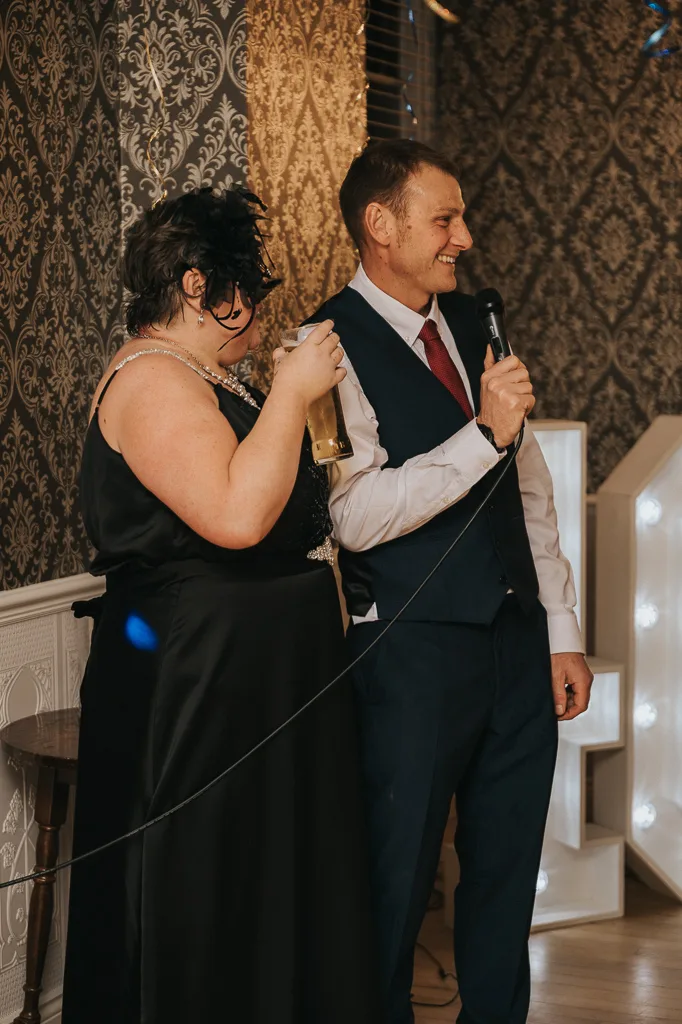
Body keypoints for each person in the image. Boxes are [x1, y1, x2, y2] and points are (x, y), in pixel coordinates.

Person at [61, 186, 380, 1024]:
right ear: (201, 286)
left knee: (270, 885)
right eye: (249, 291)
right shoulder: (154, 379)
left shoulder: (210, 376)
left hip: (255, 685)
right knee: (208, 887)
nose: (258, 311)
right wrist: (291, 388)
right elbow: (236, 518)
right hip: (195, 685)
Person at [305, 140, 594, 1024]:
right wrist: (484, 436)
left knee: (506, 879)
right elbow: (351, 516)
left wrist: (561, 629)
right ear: (379, 226)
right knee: (394, 877)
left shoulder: (473, 326)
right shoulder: (322, 349)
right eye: (445, 218)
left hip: (515, 644)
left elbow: (530, 488)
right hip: (410, 651)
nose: (464, 237)